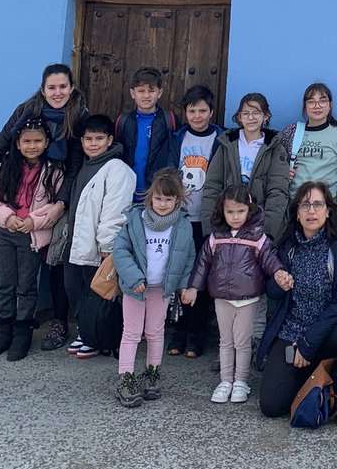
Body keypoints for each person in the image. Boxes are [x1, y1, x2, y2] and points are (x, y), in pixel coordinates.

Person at [0, 62, 88, 355]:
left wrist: (59, 205)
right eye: (52, 87)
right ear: (43, 89)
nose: (58, 92)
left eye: (63, 86)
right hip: (14, 202)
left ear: (71, 88)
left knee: (58, 255)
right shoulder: (26, 112)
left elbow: (75, 166)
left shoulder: (78, 117)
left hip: (56, 195)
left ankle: (58, 322)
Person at [257, 181, 337, 427]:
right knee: (271, 405)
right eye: (305, 205)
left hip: (329, 332)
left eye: (318, 204)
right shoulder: (288, 246)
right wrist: (277, 283)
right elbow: (272, 294)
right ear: (297, 213)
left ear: (328, 211)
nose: (311, 211)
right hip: (291, 331)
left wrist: (308, 343)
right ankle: (315, 378)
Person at [184, 185, 292, 404]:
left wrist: (279, 272)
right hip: (221, 298)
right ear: (222, 211)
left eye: (240, 211)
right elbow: (203, 263)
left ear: (249, 210)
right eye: (230, 211)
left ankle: (241, 381)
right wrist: (194, 287)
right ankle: (225, 381)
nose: (235, 216)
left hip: (247, 299)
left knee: (242, 343)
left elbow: (269, 258)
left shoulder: (258, 236)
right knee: (225, 341)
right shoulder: (215, 236)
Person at [0, 118, 64, 362]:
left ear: (46, 143)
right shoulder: (4, 168)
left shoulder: (54, 172)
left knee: (26, 286)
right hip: (4, 232)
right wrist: (6, 218)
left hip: (31, 236)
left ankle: (22, 332)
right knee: (5, 283)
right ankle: (4, 331)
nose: (32, 146)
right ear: (17, 143)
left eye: (38, 141)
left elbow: (55, 207)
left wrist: (33, 222)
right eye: (26, 141)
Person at [111, 168, 195, 408]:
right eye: (158, 198)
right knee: (131, 332)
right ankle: (126, 378)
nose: (163, 204)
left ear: (177, 200)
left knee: (156, 332)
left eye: (169, 199)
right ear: (150, 197)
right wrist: (134, 278)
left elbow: (188, 257)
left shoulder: (183, 225)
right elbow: (121, 252)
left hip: (161, 289)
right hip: (136, 288)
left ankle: (152, 374)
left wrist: (183, 286)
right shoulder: (136, 220)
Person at [63, 113, 135, 358]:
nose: (93, 144)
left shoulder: (117, 169)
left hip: (98, 245)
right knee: (76, 289)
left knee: (97, 294)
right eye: (88, 139)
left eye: (99, 138)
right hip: (77, 241)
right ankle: (86, 333)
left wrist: (108, 245)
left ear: (110, 140)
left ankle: (98, 338)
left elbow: (115, 210)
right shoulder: (85, 166)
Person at [168, 85, 225, 358]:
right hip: (180, 218)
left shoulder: (222, 139)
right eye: (192, 110)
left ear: (211, 112)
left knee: (201, 277)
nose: (197, 116)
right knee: (180, 275)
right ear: (185, 112)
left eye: (203, 110)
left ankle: (196, 335)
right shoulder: (176, 138)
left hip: (207, 220)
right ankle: (178, 331)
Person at [201, 92, 288, 242]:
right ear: (239, 117)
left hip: (259, 225)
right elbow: (212, 187)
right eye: (246, 113)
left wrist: (267, 232)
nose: (251, 117)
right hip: (228, 223)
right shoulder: (227, 144)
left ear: (265, 116)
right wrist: (209, 230)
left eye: (256, 113)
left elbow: (278, 191)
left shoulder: (274, 147)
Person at [276, 82, 337, 198]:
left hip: (326, 203)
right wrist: (282, 171)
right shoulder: (292, 132)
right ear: (305, 106)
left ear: (330, 105)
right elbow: (274, 160)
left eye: (322, 101)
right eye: (311, 102)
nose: (317, 106)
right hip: (296, 202)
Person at [115, 67, 180, 201]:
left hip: (159, 196)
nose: (146, 96)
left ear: (159, 93)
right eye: (141, 91)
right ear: (132, 93)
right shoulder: (123, 121)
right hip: (127, 193)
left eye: (151, 91)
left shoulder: (170, 120)